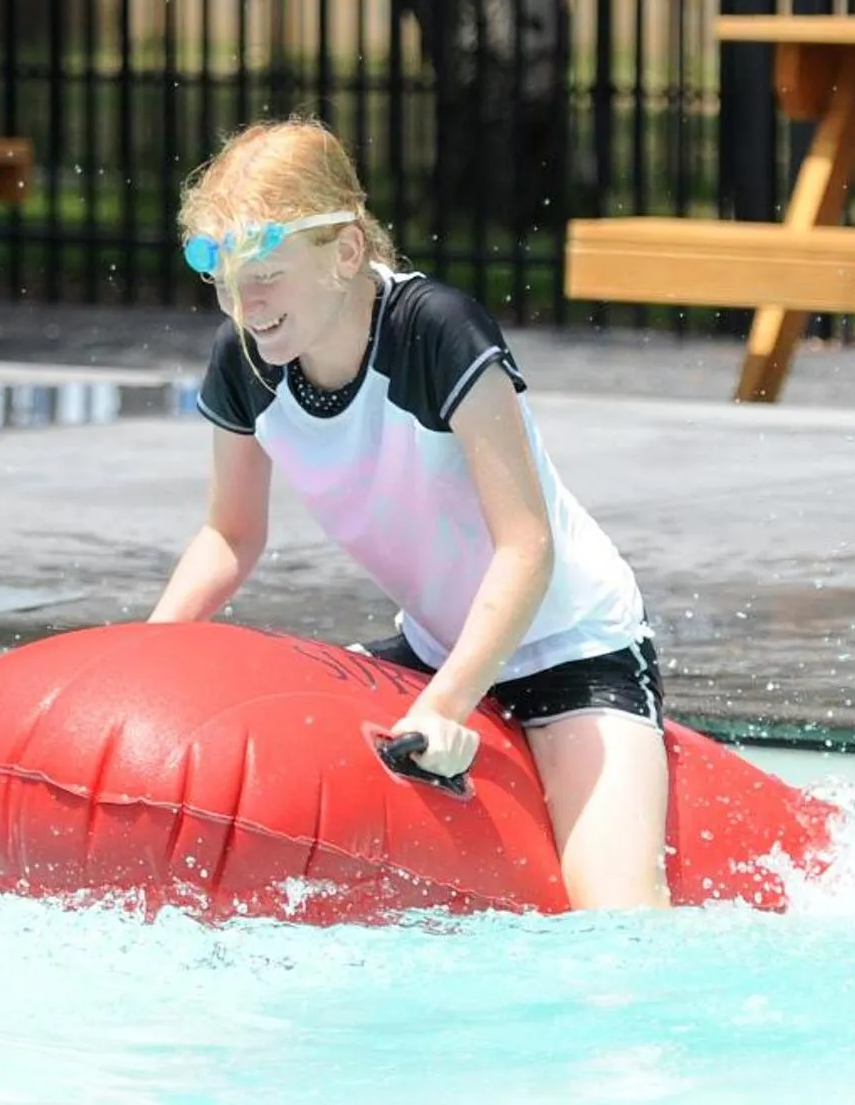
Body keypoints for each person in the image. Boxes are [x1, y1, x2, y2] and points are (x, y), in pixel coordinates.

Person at [149, 117, 671, 911]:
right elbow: (231, 535)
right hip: (429, 648)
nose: (245, 303)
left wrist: (447, 703)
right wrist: (147, 655)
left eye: (267, 272)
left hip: (573, 651)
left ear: (346, 253)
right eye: (224, 277)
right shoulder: (245, 360)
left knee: (615, 916)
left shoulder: (435, 332)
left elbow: (527, 547)